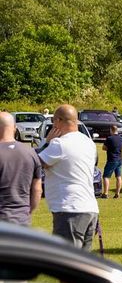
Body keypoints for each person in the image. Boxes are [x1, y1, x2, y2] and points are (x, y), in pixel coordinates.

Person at [37, 104, 99, 250]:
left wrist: (46, 142)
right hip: (89, 206)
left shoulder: (59, 144)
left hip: (69, 208)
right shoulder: (88, 142)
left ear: (58, 121)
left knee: (65, 258)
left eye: (53, 121)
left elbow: (35, 162)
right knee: (82, 260)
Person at [0, 112, 42, 226]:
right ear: (15, 128)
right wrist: (27, 212)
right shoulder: (30, 152)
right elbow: (37, 190)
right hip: (21, 219)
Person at [101, 124, 122, 198]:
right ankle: (117, 193)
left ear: (111, 130)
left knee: (106, 176)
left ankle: (105, 193)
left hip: (112, 159)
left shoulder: (109, 138)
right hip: (119, 159)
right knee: (118, 176)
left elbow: (104, 147)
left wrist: (109, 149)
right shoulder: (121, 138)